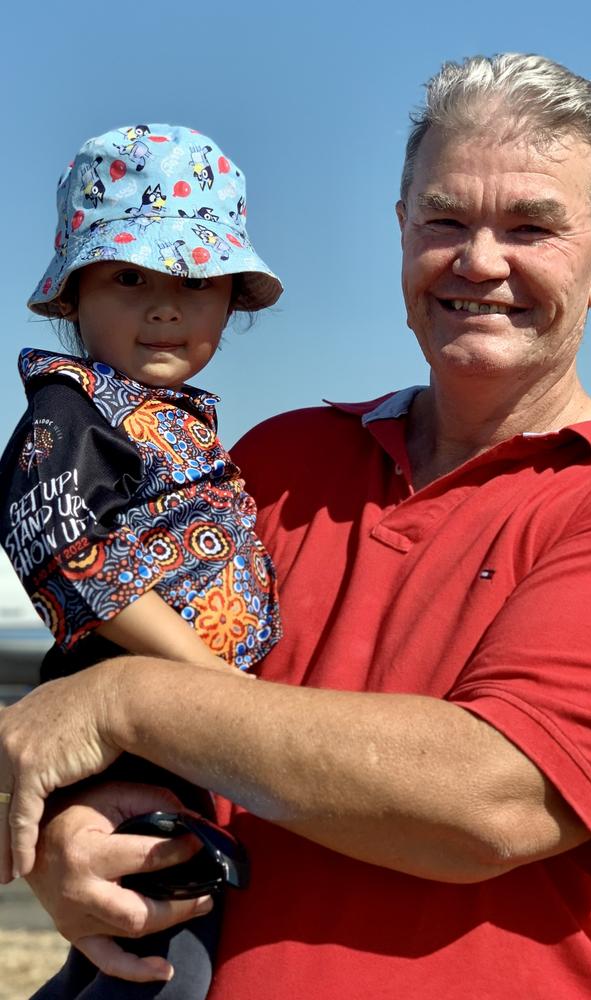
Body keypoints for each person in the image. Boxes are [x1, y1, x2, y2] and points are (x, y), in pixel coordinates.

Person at [1, 53, 591, 999]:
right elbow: (185, 754)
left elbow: (489, 805)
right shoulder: (276, 462)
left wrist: (122, 702)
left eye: (530, 226)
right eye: (444, 219)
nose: (479, 260)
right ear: (399, 234)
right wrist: (77, 841)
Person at [0, 124, 283, 998]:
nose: (165, 305)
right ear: (73, 296)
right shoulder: (72, 409)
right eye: (130, 278)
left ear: (230, 303)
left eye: (194, 282)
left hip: (178, 740)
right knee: (169, 960)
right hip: (135, 744)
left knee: (133, 951)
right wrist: (212, 683)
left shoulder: (167, 417)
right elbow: (64, 549)